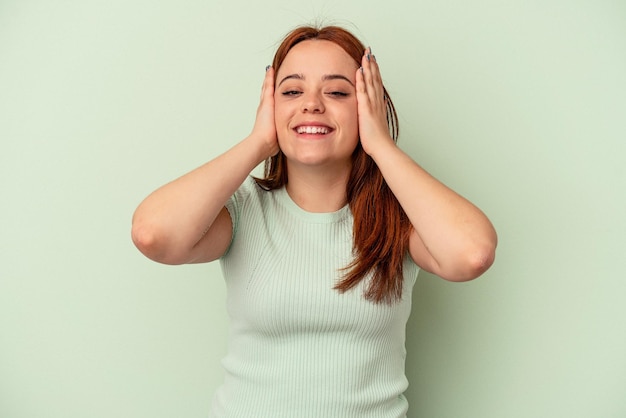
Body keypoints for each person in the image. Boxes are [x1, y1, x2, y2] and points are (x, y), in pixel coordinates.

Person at [131, 25, 497, 418]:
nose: (312, 104)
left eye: (337, 91)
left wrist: (379, 145)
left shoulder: (399, 217)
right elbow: (154, 235)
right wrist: (258, 142)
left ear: (367, 106)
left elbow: (471, 254)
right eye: (291, 91)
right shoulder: (242, 210)